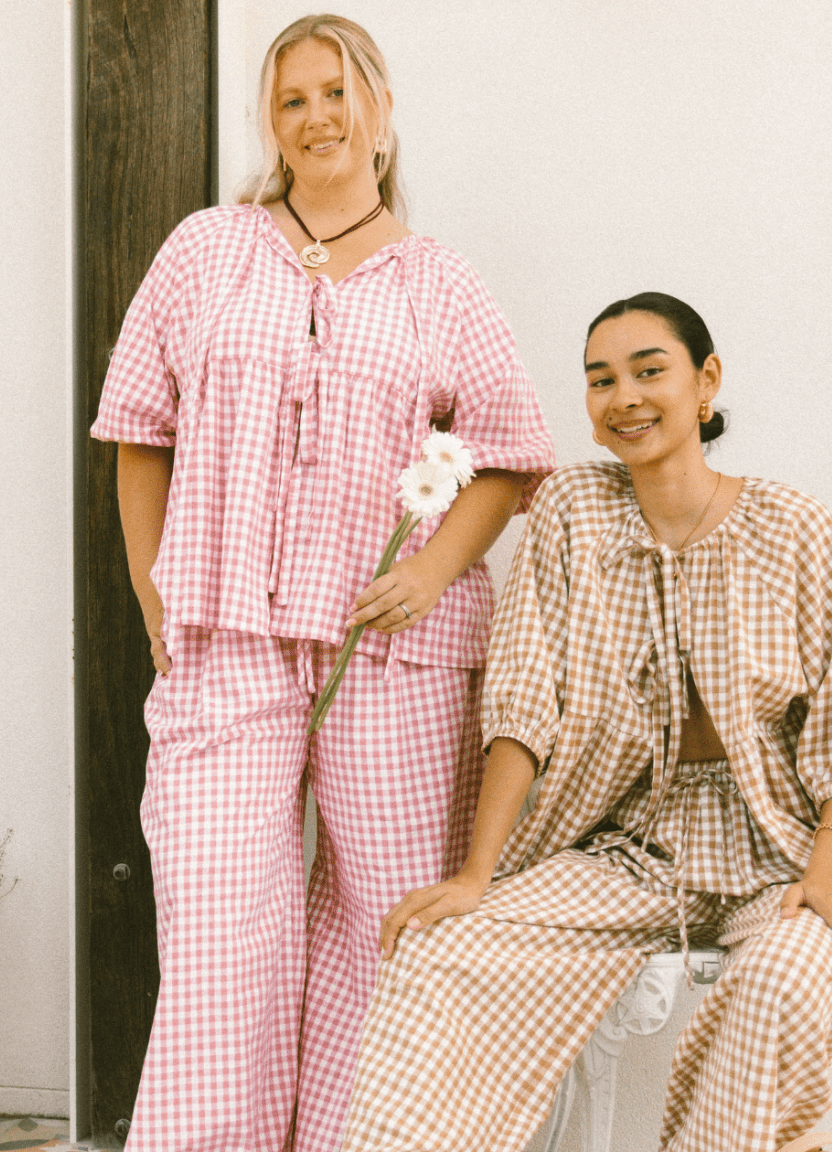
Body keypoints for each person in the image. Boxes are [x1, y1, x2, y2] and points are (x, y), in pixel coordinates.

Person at [90, 14, 555, 1152]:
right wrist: (156, 594)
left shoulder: (440, 282)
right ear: (270, 121)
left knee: (386, 922)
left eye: (336, 93)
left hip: (392, 651)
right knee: (217, 926)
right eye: (292, 99)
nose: (316, 118)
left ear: (381, 111)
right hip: (227, 641)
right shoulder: (205, 250)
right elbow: (139, 431)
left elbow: (508, 455)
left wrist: (430, 571)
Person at [339, 292, 832, 1152]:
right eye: (601, 380)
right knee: (439, 950)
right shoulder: (570, 511)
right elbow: (523, 703)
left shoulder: (797, 528)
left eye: (650, 371)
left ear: (706, 381)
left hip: (785, 848)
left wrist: (831, 876)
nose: (625, 397)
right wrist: (477, 875)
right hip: (630, 850)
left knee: (789, 977)